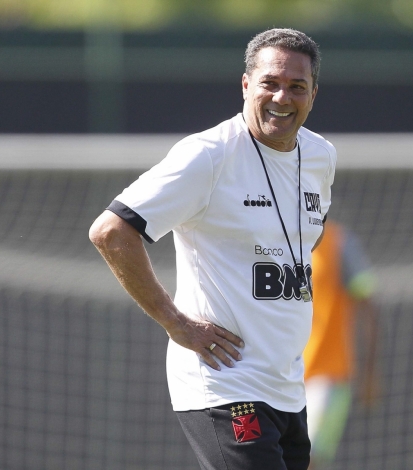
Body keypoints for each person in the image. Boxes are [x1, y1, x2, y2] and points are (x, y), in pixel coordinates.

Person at [89, 28, 336, 470]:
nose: (282, 97)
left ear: (313, 94)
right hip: (225, 383)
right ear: (246, 85)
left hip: (286, 385)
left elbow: (305, 240)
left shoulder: (320, 156)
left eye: (297, 86)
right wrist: (176, 323)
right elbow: (111, 231)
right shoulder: (208, 155)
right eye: (270, 83)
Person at [303, 219, 378, 469]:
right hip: (283, 376)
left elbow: (368, 307)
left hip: (328, 375)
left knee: (307, 459)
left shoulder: (340, 242)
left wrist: (370, 373)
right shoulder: (274, 239)